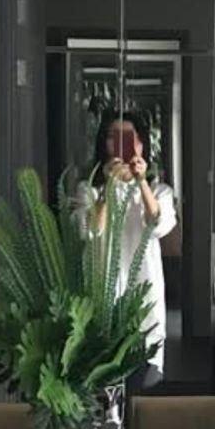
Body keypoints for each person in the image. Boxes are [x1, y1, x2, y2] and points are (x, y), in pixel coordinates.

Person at [75, 110, 177, 388]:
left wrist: (141, 181)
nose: (119, 143)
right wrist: (108, 185)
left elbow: (157, 224)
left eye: (128, 137)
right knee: (100, 383)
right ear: (103, 143)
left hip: (143, 295)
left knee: (142, 382)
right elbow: (91, 230)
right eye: (112, 136)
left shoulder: (159, 191)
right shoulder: (89, 190)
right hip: (101, 296)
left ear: (141, 144)